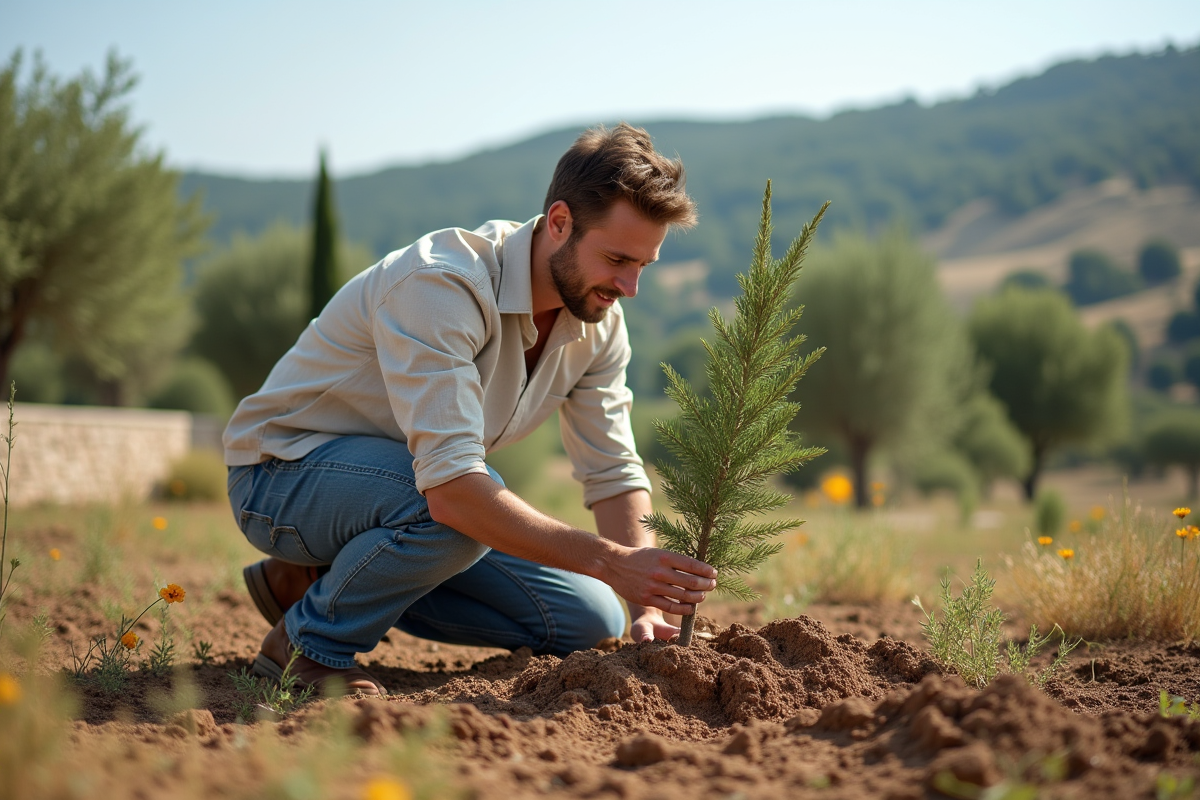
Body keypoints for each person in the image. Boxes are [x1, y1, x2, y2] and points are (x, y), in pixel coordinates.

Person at [223, 123, 718, 695]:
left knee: (590, 620)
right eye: (616, 259)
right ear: (559, 223)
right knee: (457, 512)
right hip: (280, 474)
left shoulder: (597, 323)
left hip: (405, 495)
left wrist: (644, 606)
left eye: (643, 266)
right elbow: (455, 490)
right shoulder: (442, 284)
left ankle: (320, 580)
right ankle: (308, 646)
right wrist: (608, 560)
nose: (630, 287)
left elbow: (612, 469)